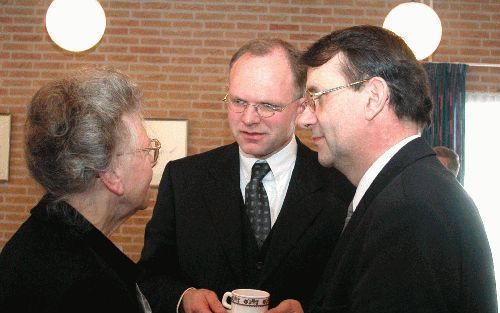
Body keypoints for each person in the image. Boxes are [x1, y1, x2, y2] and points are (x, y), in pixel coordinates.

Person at [272, 25, 497, 313]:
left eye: (317, 98)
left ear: (374, 98)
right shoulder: (411, 189)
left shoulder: (408, 209)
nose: (304, 119)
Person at [138, 38, 354, 313]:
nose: (249, 118)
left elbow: (355, 289)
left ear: (301, 108)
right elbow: (149, 276)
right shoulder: (184, 180)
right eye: (239, 101)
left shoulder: (342, 185)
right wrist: (184, 297)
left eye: (268, 106)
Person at [0, 68, 160, 313]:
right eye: (146, 151)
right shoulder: (91, 288)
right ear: (111, 174)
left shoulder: (41, 240)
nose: (151, 163)